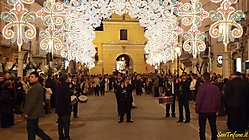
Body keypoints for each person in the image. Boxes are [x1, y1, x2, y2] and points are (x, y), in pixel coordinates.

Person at [23, 71, 52, 140]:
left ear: (37, 78)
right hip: (35, 112)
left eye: (32, 77)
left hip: (33, 113)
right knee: (35, 130)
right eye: (30, 77)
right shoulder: (36, 86)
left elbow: (32, 102)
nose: (30, 78)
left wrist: (27, 112)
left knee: (31, 131)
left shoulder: (36, 87)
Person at [195, 72, 221, 140]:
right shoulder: (215, 88)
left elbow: (199, 100)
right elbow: (218, 99)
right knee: (213, 127)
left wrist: (197, 109)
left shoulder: (202, 88)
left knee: (202, 128)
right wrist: (217, 109)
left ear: (203, 78)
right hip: (212, 110)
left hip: (203, 110)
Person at [55, 74, 72, 140]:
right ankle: (67, 136)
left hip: (59, 107)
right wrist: (69, 107)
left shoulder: (57, 86)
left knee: (60, 123)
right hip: (65, 108)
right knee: (66, 124)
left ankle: (61, 136)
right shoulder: (65, 87)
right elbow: (67, 98)